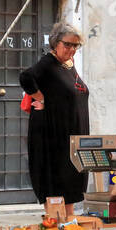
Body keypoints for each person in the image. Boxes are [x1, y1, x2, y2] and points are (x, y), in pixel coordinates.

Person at [19, 22, 89, 206]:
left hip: (70, 135)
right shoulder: (48, 63)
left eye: (75, 45)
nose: (71, 49)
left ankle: (69, 222)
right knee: (56, 181)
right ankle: (56, 223)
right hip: (53, 136)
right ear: (55, 43)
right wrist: (40, 98)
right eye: (67, 45)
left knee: (71, 183)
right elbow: (26, 77)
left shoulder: (67, 64)